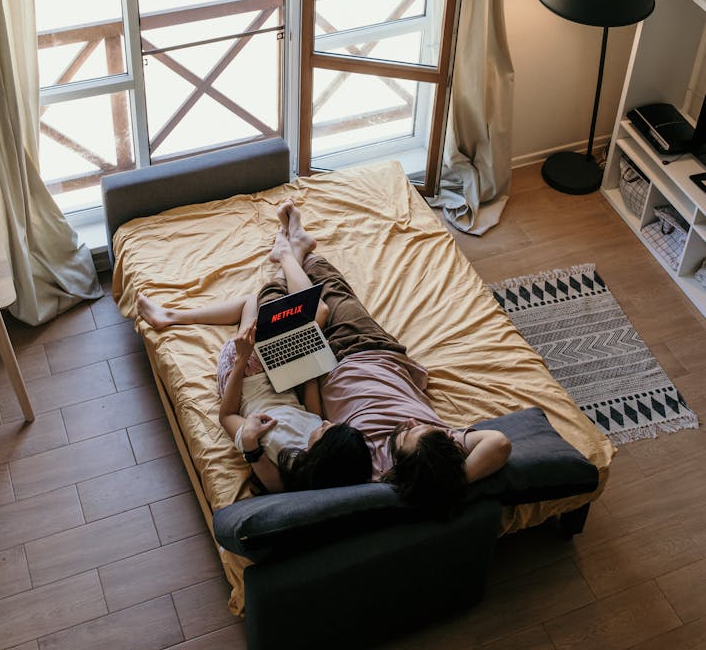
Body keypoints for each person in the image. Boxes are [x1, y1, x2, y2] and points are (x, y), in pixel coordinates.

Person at [264, 200, 512, 519]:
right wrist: (451, 482)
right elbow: (500, 443)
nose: (410, 422)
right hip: (375, 350)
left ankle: (288, 254)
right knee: (335, 291)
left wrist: (310, 368)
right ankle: (299, 249)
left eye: (405, 434)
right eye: (419, 427)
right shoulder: (438, 448)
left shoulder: (371, 471)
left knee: (288, 310)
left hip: (325, 369)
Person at [136, 207, 372, 495]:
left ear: (324, 457)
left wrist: (244, 358)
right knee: (300, 318)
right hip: (280, 374)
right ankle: (290, 251)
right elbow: (311, 411)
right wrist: (309, 356)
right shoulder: (312, 436)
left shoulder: (273, 452)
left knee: (313, 312)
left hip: (244, 371)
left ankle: (173, 316)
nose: (324, 423)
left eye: (325, 430)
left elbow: (227, 417)